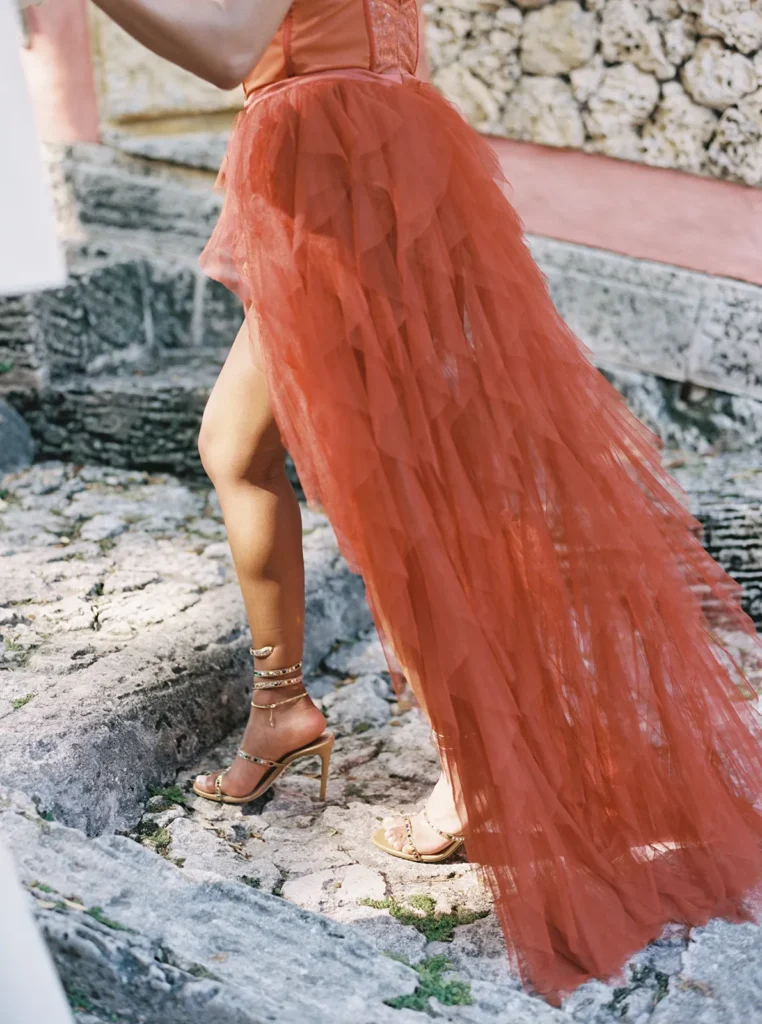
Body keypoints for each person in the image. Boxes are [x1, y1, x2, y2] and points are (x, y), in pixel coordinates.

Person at [89, 0, 762, 1002]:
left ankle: (473, 774)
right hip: (350, 153)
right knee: (247, 447)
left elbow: (229, 47)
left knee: (393, 491)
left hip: (338, 162)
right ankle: (285, 712)